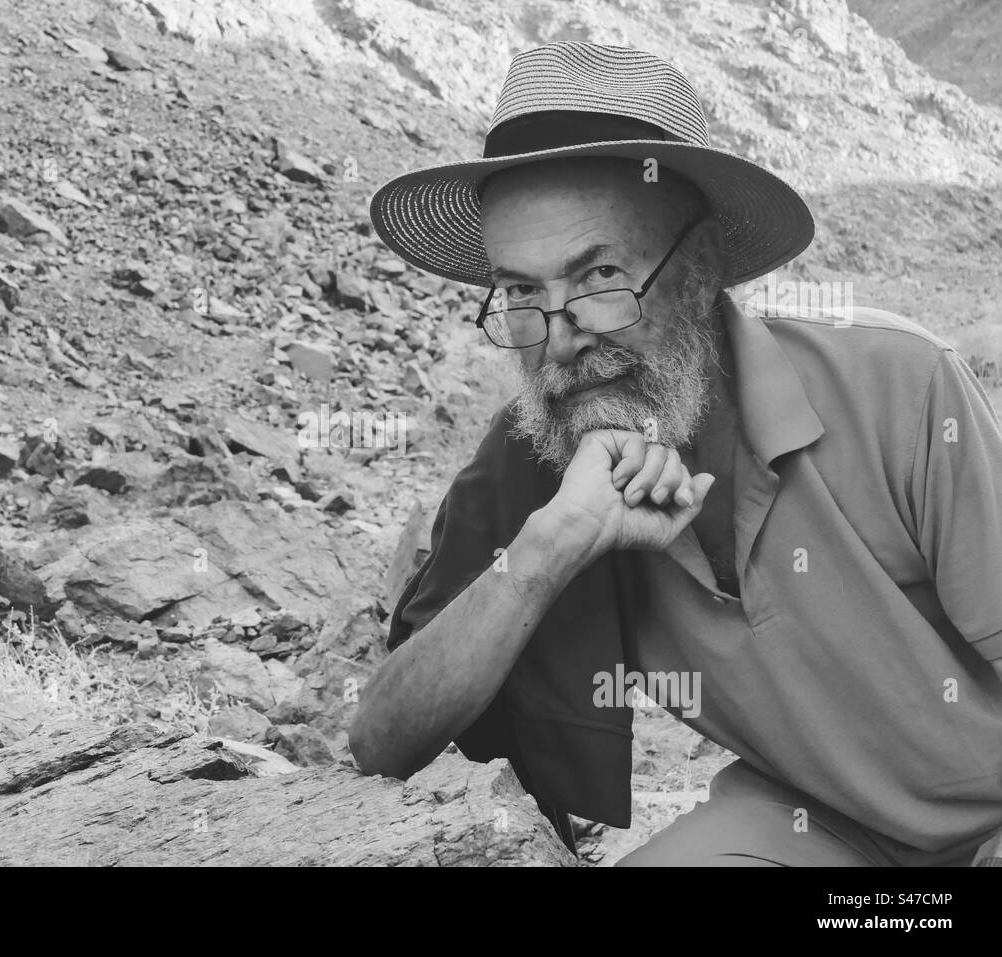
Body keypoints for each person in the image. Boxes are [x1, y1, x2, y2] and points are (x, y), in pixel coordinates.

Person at [350, 40, 1002, 866]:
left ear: (697, 274)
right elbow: (381, 739)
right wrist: (551, 548)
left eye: (598, 279)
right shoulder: (536, 458)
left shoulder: (901, 386)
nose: (558, 341)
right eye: (521, 294)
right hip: (809, 823)